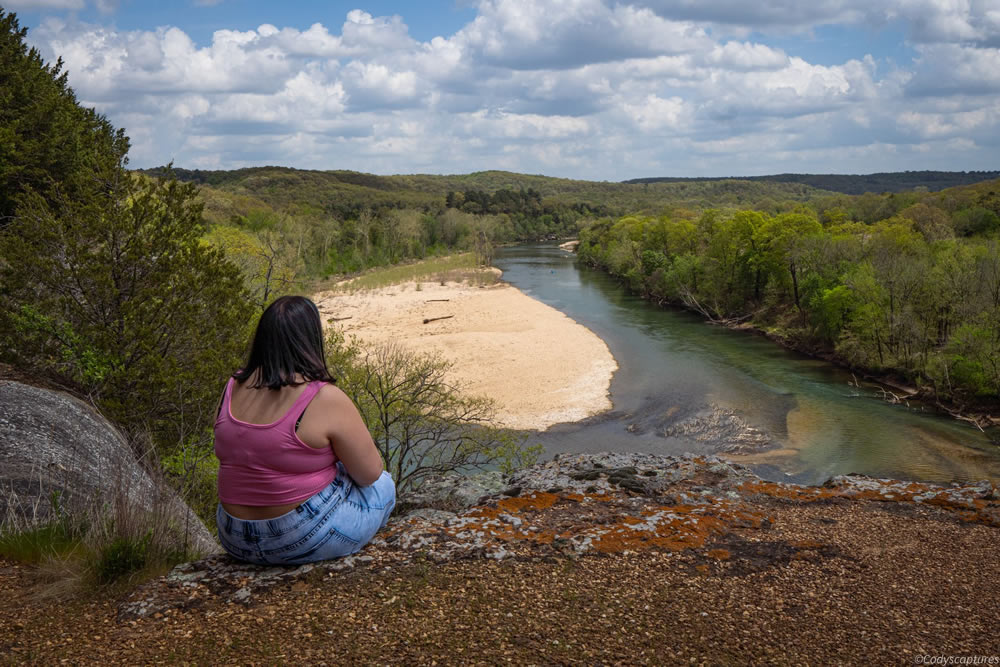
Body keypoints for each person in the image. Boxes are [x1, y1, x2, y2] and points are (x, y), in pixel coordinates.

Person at [213, 295, 395, 565]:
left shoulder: (233, 387)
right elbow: (369, 474)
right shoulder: (323, 397)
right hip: (298, 535)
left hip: (233, 536)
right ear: (310, 339)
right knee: (384, 484)